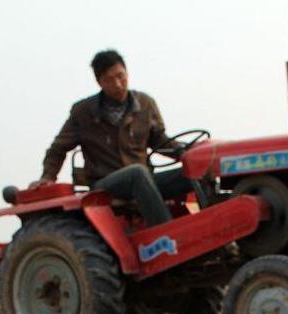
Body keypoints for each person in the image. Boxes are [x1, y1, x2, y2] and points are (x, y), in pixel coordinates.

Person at [30, 49, 194, 227]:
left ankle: (210, 231)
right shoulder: (83, 112)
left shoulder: (145, 104)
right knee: (137, 173)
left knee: (194, 172)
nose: (117, 84)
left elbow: (160, 141)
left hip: (144, 181)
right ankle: (166, 231)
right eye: (109, 80)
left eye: (120, 76)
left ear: (127, 72)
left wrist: (187, 153)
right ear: (99, 82)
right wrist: (48, 176)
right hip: (106, 184)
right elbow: (58, 148)